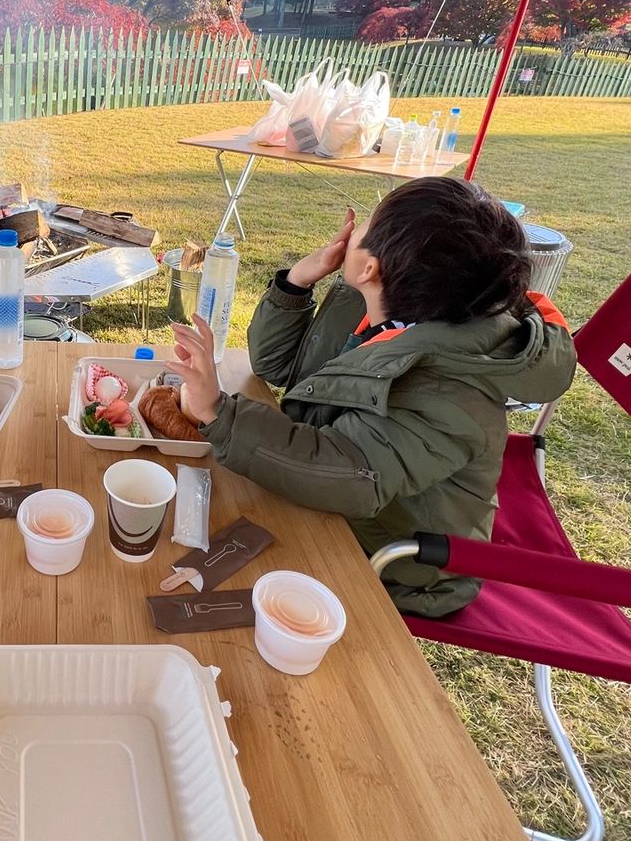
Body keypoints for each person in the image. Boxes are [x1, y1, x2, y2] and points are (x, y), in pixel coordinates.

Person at [170, 179, 577, 615]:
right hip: (334, 491)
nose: (353, 229)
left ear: (371, 268)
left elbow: (349, 475)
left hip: (398, 557)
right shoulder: (386, 305)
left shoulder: (445, 387)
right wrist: (296, 282)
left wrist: (218, 412)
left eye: (366, 223)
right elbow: (279, 366)